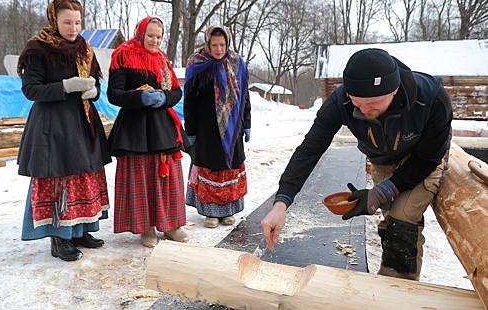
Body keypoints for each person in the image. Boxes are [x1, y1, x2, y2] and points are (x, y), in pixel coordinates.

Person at [261, 48, 452, 281]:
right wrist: (281, 204)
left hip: (423, 159)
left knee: (403, 216)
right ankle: (393, 264)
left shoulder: (432, 99)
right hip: (382, 158)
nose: (363, 110)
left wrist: (380, 192)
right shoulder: (341, 100)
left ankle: (397, 289)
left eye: (372, 103)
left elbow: (427, 160)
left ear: (394, 89)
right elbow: (310, 149)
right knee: (391, 214)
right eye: (356, 103)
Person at [17, 0, 112, 262]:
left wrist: (93, 92)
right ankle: (59, 239)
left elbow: (94, 83)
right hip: (53, 127)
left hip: (82, 125)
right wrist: (64, 87)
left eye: (77, 22)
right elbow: (30, 89)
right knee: (59, 180)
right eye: (67, 22)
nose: (73, 28)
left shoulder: (85, 49)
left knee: (83, 178)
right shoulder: (38, 49)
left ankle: (81, 230)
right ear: (53, 20)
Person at [107, 16, 188, 247]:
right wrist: (139, 96)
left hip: (162, 126)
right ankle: (146, 227)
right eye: (150, 35)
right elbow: (114, 94)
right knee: (141, 178)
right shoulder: (123, 55)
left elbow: (176, 92)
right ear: (140, 33)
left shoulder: (163, 59)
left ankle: (171, 224)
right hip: (135, 128)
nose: (154, 40)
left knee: (167, 176)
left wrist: (164, 97)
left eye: (159, 37)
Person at [184, 25, 251, 228]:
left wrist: (246, 124)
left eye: (222, 44)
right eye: (214, 44)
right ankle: (210, 212)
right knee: (209, 168)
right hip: (206, 129)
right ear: (208, 43)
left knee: (230, 168)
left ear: (227, 43)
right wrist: (191, 130)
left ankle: (229, 210)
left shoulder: (237, 63)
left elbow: (244, 96)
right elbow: (189, 100)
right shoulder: (197, 64)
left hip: (232, 129)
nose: (218, 49)